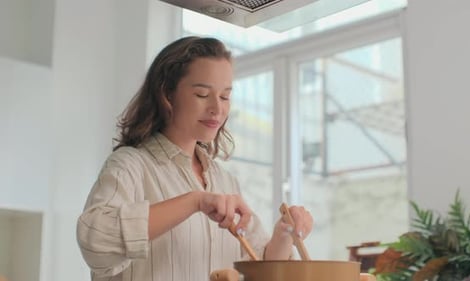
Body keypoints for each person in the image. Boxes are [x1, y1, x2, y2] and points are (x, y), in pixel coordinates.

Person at [76, 36, 313, 281]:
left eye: (224, 97)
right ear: (167, 94)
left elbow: (261, 267)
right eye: (202, 94)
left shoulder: (225, 181)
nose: (217, 109)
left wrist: (284, 233)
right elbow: (95, 240)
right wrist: (194, 201)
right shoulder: (130, 165)